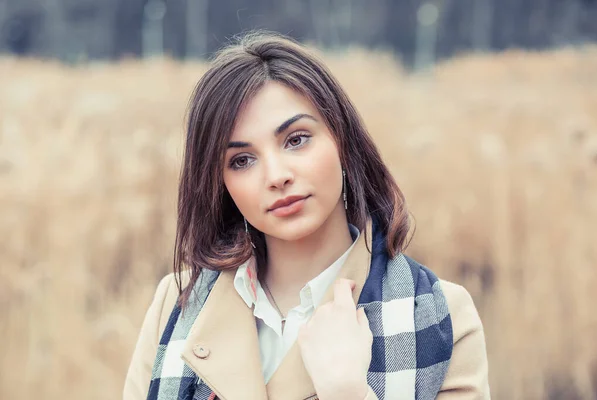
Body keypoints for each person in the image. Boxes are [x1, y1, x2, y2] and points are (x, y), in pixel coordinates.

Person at [124, 31, 490, 400]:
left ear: (342, 140)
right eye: (242, 160)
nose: (277, 175)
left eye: (296, 139)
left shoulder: (437, 315)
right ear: (221, 184)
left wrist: (348, 393)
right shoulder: (176, 305)